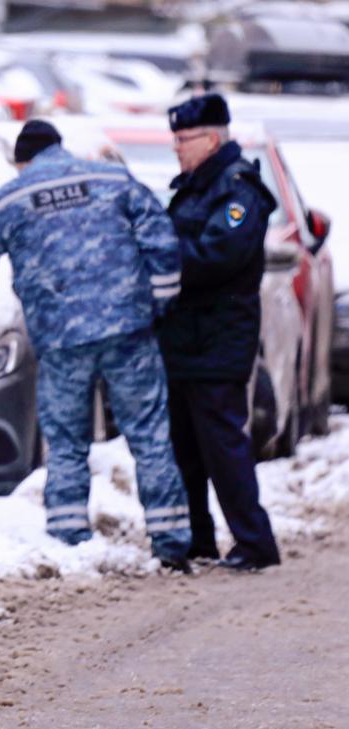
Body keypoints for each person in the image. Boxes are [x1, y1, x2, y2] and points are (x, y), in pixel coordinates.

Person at [0, 120, 193, 570]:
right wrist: (160, 302)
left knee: (65, 440)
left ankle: (69, 534)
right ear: (60, 148)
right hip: (128, 332)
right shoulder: (112, 179)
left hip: (61, 339)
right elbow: (161, 239)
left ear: (23, 160)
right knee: (150, 434)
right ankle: (172, 538)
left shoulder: (12, 198)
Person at [159, 93, 281, 570]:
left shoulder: (237, 192)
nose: (176, 149)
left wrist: (159, 258)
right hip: (185, 341)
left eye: (184, 140)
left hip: (218, 341)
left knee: (224, 448)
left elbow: (216, 257)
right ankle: (198, 539)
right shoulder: (196, 187)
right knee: (185, 447)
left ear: (212, 139)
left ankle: (255, 543)